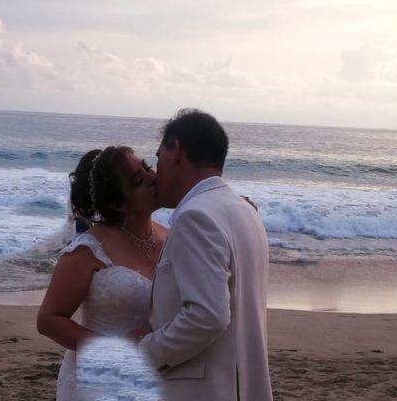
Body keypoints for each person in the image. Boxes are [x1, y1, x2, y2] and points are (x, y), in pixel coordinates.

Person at [138, 109, 273, 401]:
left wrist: (146, 351)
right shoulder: (244, 211)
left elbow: (207, 316)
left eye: (158, 158)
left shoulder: (195, 216)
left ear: (176, 151)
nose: (155, 171)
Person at [37, 146, 167, 401]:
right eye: (139, 180)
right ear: (117, 203)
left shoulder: (172, 235)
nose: (152, 177)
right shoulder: (88, 249)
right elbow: (49, 320)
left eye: (147, 167)